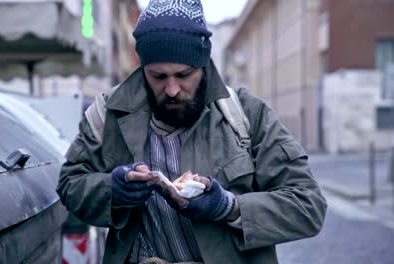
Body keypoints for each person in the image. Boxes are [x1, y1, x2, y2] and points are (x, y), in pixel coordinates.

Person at [56, 0, 327, 263]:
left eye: (184, 75)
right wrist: (111, 191)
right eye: (158, 77)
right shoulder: (107, 113)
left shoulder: (249, 115)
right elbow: (70, 183)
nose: (172, 89)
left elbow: (308, 205)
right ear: (143, 67)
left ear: (203, 64)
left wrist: (229, 207)